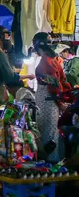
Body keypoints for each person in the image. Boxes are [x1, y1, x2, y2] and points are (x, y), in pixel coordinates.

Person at [33, 32, 71, 162]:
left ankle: (50, 166)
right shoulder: (52, 60)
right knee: (51, 132)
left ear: (37, 46)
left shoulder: (46, 62)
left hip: (48, 102)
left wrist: (59, 102)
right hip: (49, 102)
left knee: (48, 135)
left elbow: (53, 85)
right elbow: (62, 82)